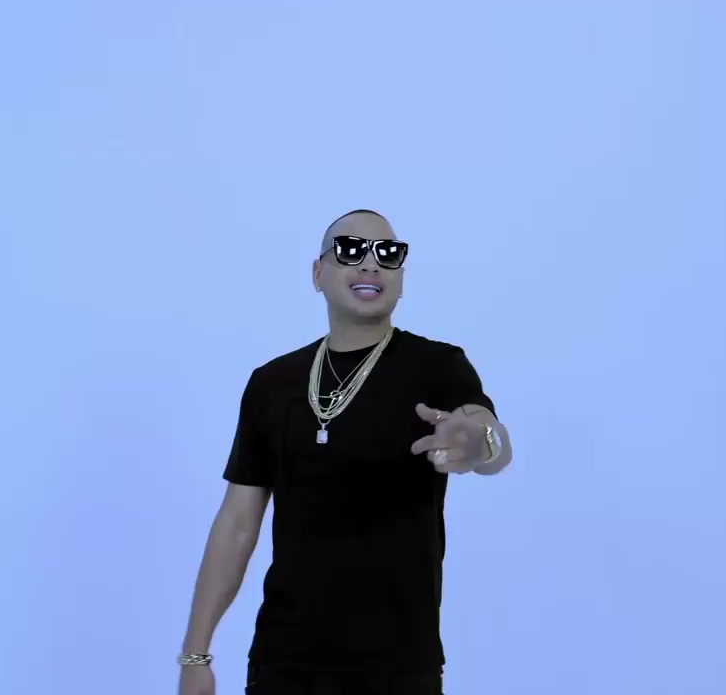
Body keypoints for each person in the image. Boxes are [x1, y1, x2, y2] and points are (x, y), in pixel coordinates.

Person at [177, 209, 513, 695]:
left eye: (388, 254)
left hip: (399, 668)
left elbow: (490, 437)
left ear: (401, 278)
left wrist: (479, 443)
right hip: (282, 665)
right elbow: (237, 523)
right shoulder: (272, 383)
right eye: (351, 251)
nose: (371, 264)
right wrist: (196, 654)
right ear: (318, 273)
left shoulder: (437, 367)